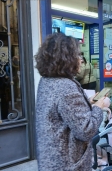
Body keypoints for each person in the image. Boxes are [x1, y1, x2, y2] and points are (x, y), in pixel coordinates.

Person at [34, 33, 105, 171]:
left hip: (51, 159)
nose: (80, 60)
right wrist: (99, 107)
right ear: (67, 59)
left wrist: (88, 103)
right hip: (67, 163)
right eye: (77, 56)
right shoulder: (65, 87)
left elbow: (62, 113)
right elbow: (86, 130)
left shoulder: (46, 81)